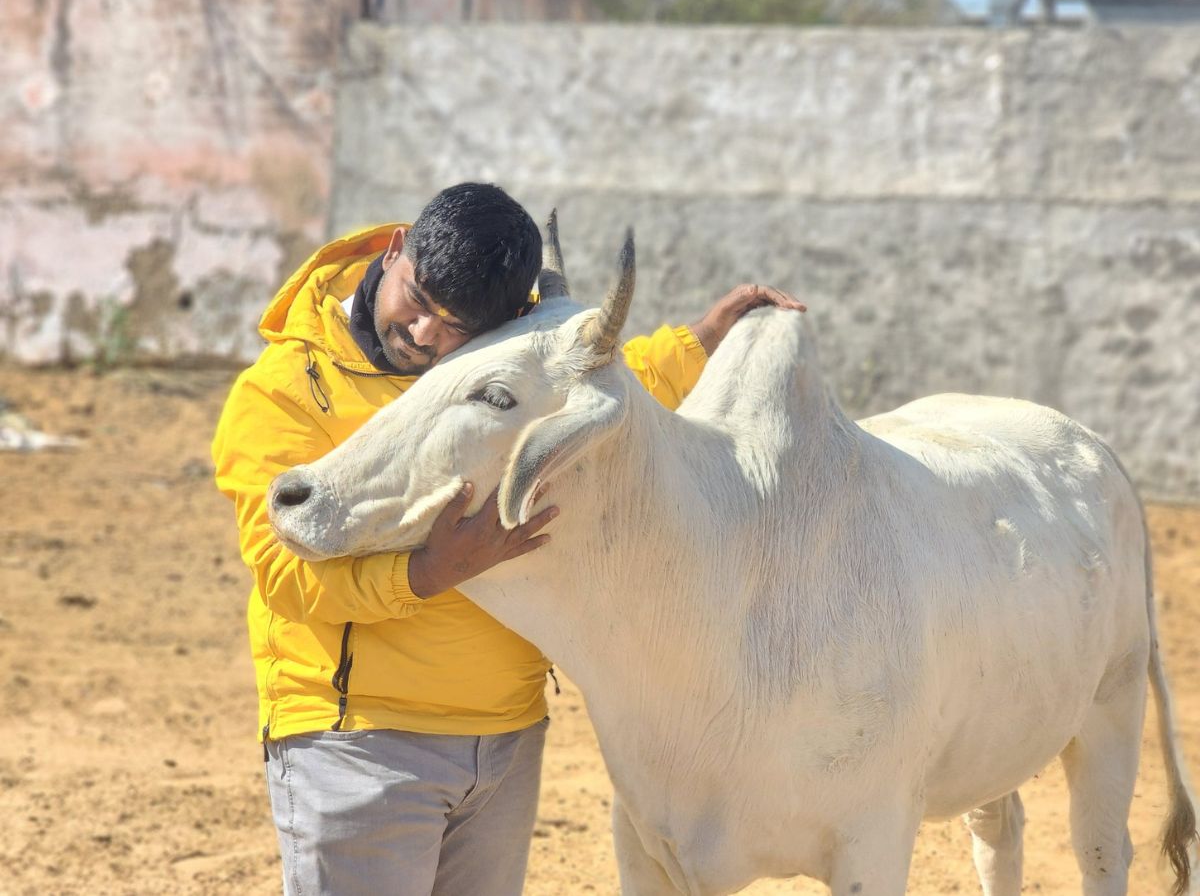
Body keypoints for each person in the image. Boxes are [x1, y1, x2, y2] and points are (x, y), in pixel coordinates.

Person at [211, 182, 803, 896]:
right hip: (359, 742)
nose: (426, 334)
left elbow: (580, 390)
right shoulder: (280, 392)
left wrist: (699, 340)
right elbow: (284, 573)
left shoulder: (491, 352)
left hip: (505, 741)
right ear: (396, 249)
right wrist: (427, 572)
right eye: (418, 300)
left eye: (456, 325)